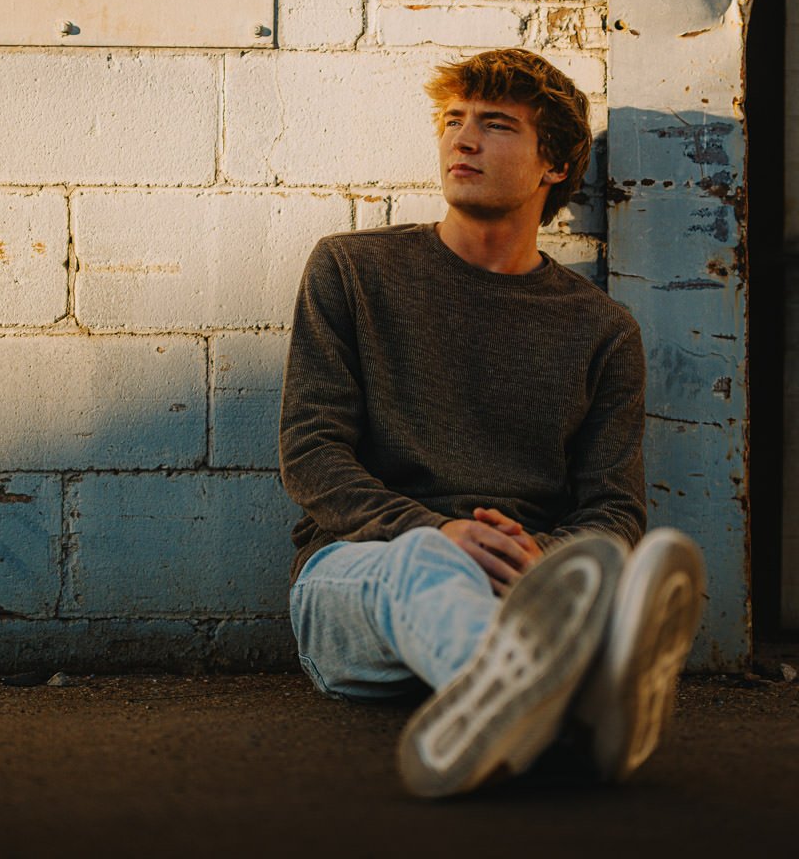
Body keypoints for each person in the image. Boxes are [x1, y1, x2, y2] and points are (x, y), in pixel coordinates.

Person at [279, 48, 705, 797]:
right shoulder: (351, 270)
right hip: (358, 579)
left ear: (555, 165)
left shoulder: (602, 331)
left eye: (496, 125)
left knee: (601, 568)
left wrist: (536, 558)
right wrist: (439, 531)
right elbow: (312, 454)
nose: (462, 140)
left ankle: (527, 698)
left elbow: (613, 510)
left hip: (523, 581)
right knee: (427, 562)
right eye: (453, 120)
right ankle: (570, 693)